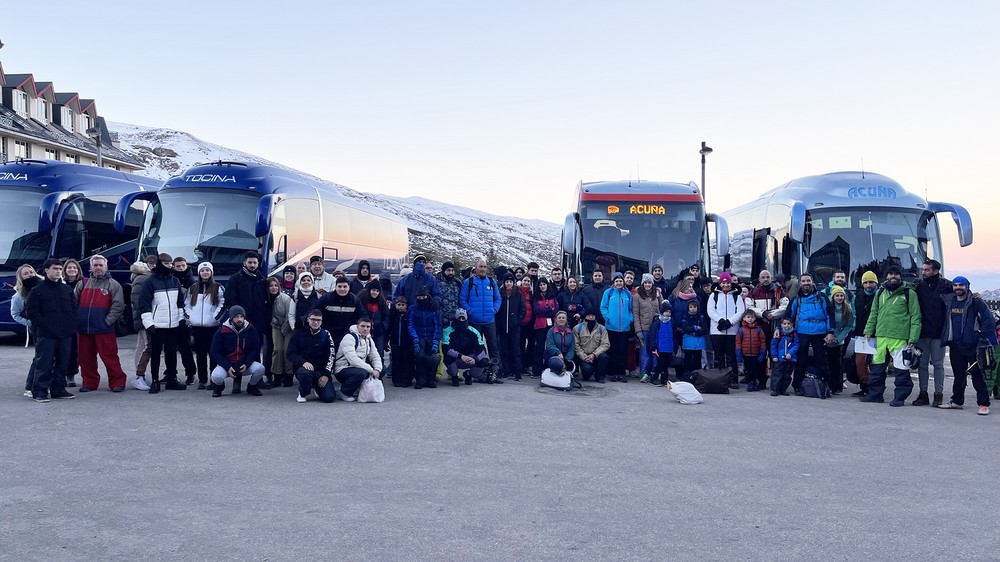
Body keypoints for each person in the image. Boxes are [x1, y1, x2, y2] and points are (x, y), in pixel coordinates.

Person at [860, 266, 921, 406]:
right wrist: (868, 330)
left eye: (896, 274)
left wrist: (913, 338)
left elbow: (915, 316)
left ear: (901, 277)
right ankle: (875, 395)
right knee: (877, 368)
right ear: (887, 276)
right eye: (890, 274)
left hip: (900, 338)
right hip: (881, 337)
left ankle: (900, 398)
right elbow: (874, 313)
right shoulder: (880, 292)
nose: (893, 276)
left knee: (901, 370)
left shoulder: (908, 293)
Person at [937, 276, 996, 415]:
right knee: (958, 375)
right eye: (955, 285)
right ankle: (957, 401)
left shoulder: (976, 302)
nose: (958, 287)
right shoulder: (949, 301)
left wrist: (980, 337)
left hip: (973, 346)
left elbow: (989, 322)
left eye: (961, 285)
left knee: (977, 375)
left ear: (967, 286)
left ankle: (983, 404)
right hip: (955, 345)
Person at [73, 255, 129, 392]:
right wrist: (77, 320)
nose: (98, 268)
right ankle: (89, 383)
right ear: (91, 267)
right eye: (95, 265)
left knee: (110, 357)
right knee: (85, 358)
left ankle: (117, 382)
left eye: (100, 265)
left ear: (106, 267)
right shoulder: (83, 283)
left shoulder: (113, 285)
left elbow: (118, 306)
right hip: (84, 330)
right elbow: (73, 303)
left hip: (104, 329)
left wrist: (107, 321)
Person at [25, 259, 78, 402]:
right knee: (44, 363)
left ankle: (58, 389)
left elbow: (74, 309)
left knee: (62, 363)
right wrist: (47, 327)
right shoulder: (37, 291)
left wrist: (70, 327)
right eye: (55, 268)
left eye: (60, 269)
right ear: (46, 270)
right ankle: (40, 391)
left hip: (65, 334)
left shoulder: (66, 290)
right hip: (46, 334)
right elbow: (32, 312)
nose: (58, 271)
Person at [139, 253, 187, 394]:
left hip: (173, 325)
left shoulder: (175, 281)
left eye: (171, 263)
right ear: (160, 264)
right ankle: (155, 381)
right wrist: (149, 324)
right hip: (157, 326)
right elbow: (144, 304)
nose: (170, 266)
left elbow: (179, 303)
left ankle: (172, 379)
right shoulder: (149, 282)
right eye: (166, 264)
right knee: (155, 354)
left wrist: (181, 320)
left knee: (171, 353)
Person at [225, 251, 269, 385]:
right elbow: (230, 300)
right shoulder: (236, 279)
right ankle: (236, 381)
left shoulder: (261, 279)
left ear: (258, 264)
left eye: (255, 262)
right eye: (249, 262)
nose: (252, 265)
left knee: (256, 349)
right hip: (241, 323)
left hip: (258, 323)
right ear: (244, 263)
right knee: (239, 351)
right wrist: (237, 318)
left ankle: (258, 380)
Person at [913, 259, 952, 407]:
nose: (924, 272)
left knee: (938, 364)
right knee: (922, 364)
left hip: (939, 333)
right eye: (923, 270)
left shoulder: (947, 286)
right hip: (922, 333)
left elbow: (962, 295)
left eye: (927, 270)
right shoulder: (919, 286)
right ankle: (923, 394)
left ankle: (938, 395)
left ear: (936, 271)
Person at [788, 273, 833, 396]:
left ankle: (826, 385)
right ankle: (797, 385)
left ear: (812, 281)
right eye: (803, 281)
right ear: (800, 283)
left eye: (808, 280)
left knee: (821, 360)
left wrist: (830, 332)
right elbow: (789, 316)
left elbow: (829, 314)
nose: (806, 283)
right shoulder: (796, 299)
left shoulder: (822, 297)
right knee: (800, 360)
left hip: (819, 332)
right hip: (802, 332)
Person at [184, 262, 225, 390]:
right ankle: (202, 379)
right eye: (203, 270)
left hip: (212, 326)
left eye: (207, 270)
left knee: (213, 353)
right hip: (197, 326)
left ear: (211, 272)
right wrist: (191, 317)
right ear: (199, 273)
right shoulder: (193, 288)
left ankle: (214, 379)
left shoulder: (218, 287)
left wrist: (215, 318)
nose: (205, 272)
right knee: (200, 354)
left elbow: (223, 304)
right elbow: (186, 305)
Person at [209, 305, 265, 397]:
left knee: (260, 368)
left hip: (244, 364)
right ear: (231, 318)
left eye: (241, 316)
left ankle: (252, 386)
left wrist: (247, 363)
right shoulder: (221, 331)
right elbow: (214, 352)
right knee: (216, 376)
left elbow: (256, 348)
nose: (239, 319)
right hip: (227, 365)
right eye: (236, 317)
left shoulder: (251, 330)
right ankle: (219, 387)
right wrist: (227, 366)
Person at [459, 258, 502, 377]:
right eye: (480, 267)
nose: (483, 269)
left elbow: (498, 299)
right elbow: (462, 299)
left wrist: (494, 309)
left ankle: (496, 372)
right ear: (476, 268)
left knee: (493, 347)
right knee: (477, 348)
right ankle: (478, 372)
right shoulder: (469, 282)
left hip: (489, 321)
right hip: (474, 321)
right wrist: (470, 311)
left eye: (484, 267)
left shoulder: (492, 282)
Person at [289, 309, 337, 403]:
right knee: (305, 374)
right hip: (304, 368)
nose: (316, 322)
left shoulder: (326, 334)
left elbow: (331, 355)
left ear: (322, 321)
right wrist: (303, 362)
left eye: (318, 320)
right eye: (313, 319)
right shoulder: (298, 333)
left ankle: (317, 387)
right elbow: (290, 354)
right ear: (308, 319)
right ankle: (302, 392)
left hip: (321, 370)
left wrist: (326, 374)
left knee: (329, 398)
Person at [707, 272, 746, 388]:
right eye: (723, 283)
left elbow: (740, 311)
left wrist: (730, 322)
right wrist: (720, 320)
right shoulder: (714, 295)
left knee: (731, 356)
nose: (726, 285)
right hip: (717, 330)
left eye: (728, 283)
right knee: (718, 355)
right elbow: (710, 310)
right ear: (720, 283)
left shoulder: (736, 296)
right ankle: (719, 378)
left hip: (732, 330)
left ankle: (733, 379)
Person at [333, 317, 383, 401]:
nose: (365, 329)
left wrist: (377, 369)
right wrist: (371, 370)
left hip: (359, 367)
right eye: (362, 326)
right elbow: (353, 359)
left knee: (382, 369)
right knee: (361, 373)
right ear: (357, 326)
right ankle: (344, 392)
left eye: (368, 327)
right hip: (343, 368)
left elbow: (375, 356)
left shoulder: (369, 339)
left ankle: (359, 388)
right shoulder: (349, 337)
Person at [442, 308, 492, 385]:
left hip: (470, 358)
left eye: (463, 318)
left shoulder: (474, 331)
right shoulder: (447, 331)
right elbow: (446, 348)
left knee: (484, 361)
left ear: (466, 319)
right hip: (455, 358)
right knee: (448, 358)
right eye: (459, 318)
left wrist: (475, 359)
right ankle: (454, 376)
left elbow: (482, 349)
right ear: (455, 318)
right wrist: (460, 356)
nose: (461, 320)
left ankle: (469, 375)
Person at [849, 271, 879, 397]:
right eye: (865, 283)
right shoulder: (858, 296)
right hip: (861, 335)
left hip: (878, 335)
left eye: (871, 282)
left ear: (876, 283)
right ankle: (864, 386)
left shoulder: (881, 295)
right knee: (860, 363)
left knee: (876, 364)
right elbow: (854, 315)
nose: (868, 285)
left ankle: (875, 388)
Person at [130, 255, 157, 390]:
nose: (153, 265)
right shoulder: (142, 279)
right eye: (150, 263)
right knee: (146, 347)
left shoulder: (140, 278)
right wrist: (148, 316)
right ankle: (139, 376)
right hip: (145, 318)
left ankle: (139, 375)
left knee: (141, 346)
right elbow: (138, 301)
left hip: (143, 318)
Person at [600, 272, 634, 383]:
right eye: (617, 281)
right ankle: (613, 373)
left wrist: (630, 319)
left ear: (623, 282)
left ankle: (621, 373)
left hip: (624, 328)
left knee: (623, 351)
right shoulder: (608, 293)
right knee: (613, 351)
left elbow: (631, 309)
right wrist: (608, 318)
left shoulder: (628, 294)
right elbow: (603, 307)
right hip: (611, 327)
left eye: (620, 281)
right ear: (614, 283)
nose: (619, 283)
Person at [408, 288, 443, 388]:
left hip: (432, 337)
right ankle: (420, 380)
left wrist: (436, 341)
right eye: (419, 297)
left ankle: (431, 379)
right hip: (419, 337)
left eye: (423, 296)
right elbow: (411, 324)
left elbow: (438, 325)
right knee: (419, 357)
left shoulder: (434, 308)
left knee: (433, 358)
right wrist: (415, 338)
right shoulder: (412, 309)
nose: (421, 298)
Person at [171, 256, 198, 384]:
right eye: (178, 266)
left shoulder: (191, 281)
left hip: (184, 319)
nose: (181, 268)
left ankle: (191, 373)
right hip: (171, 317)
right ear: (173, 266)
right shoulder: (171, 278)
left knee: (185, 348)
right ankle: (170, 374)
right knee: (170, 348)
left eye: (183, 265)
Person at [496, 273, 526, 381]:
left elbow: (523, 309)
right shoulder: (500, 294)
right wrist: (499, 322)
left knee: (516, 350)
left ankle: (517, 371)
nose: (509, 284)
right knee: (504, 350)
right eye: (507, 282)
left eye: (510, 282)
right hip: (503, 327)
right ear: (504, 283)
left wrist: (517, 320)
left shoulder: (518, 293)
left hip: (514, 327)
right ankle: (506, 371)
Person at [317, 276, 364, 346]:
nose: (342, 289)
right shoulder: (327, 298)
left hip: (347, 334)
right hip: (328, 332)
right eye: (339, 286)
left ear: (349, 287)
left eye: (345, 287)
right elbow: (315, 311)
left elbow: (362, 315)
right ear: (335, 287)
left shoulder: (355, 300)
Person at [267, 276, 296, 387]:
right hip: (275, 326)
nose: (273, 288)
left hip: (287, 326)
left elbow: (289, 315)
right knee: (277, 350)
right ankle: (277, 375)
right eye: (271, 286)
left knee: (286, 350)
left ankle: (288, 375)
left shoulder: (285, 298)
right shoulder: (266, 299)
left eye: (275, 285)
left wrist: (285, 329)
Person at [827, 285, 855, 395]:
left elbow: (848, 325)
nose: (839, 298)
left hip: (839, 339)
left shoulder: (847, 308)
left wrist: (839, 338)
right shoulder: (828, 307)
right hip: (827, 338)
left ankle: (837, 386)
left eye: (841, 295)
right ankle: (827, 384)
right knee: (827, 363)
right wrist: (827, 335)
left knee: (837, 364)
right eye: (837, 295)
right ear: (833, 297)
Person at [60, 257, 84, 387]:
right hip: (63, 321)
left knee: (74, 349)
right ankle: (60, 374)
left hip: (78, 321)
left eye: (74, 267)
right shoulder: (60, 283)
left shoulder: (84, 283)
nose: (72, 270)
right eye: (69, 267)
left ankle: (71, 375)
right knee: (63, 349)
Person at [530, 278, 558, 376]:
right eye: (541, 285)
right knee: (539, 347)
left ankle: (548, 367)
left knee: (549, 347)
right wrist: (549, 310)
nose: (543, 286)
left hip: (551, 325)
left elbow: (556, 310)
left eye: (544, 284)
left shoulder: (552, 296)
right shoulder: (536, 297)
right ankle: (536, 370)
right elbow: (537, 310)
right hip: (540, 326)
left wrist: (546, 311)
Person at [633, 274, 659, 381]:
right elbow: (636, 314)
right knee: (645, 352)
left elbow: (662, 308)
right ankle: (644, 373)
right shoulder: (637, 296)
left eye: (649, 283)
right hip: (644, 328)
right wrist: (638, 330)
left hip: (656, 328)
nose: (647, 285)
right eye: (646, 283)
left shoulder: (657, 295)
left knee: (655, 351)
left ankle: (655, 372)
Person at [735, 309, 768, 392]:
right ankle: (749, 382)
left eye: (752, 317)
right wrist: (738, 353)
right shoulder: (741, 330)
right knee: (747, 369)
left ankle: (754, 382)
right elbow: (738, 342)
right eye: (748, 317)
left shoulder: (759, 329)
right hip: (745, 354)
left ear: (755, 318)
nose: (750, 319)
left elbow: (763, 341)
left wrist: (762, 352)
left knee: (755, 369)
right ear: (744, 318)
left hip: (755, 354)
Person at [646, 300, 677, 386]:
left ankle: (664, 378)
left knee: (666, 365)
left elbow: (674, 336)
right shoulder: (657, 322)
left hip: (669, 348)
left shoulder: (671, 323)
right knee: (659, 364)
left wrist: (675, 347)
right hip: (660, 348)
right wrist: (653, 347)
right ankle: (654, 378)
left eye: (669, 312)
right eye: (666, 311)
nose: (668, 313)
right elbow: (652, 335)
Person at [574, 309, 610, 383]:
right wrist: (584, 356)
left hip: (596, 354)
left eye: (593, 316)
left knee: (604, 357)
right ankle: (588, 373)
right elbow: (575, 345)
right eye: (589, 316)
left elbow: (605, 344)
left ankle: (600, 376)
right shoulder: (577, 328)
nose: (591, 317)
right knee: (587, 371)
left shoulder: (601, 329)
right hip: (584, 356)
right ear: (585, 317)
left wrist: (594, 354)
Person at [677, 299, 708, 381]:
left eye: (695, 306)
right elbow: (685, 328)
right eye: (691, 307)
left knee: (697, 361)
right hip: (688, 343)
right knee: (687, 361)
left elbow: (704, 330)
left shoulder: (701, 318)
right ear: (688, 308)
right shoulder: (685, 317)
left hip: (698, 343)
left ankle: (697, 377)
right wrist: (695, 328)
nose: (693, 308)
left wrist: (694, 332)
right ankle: (686, 377)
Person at [387, 296, 414, 387]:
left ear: (406, 306)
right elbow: (389, 329)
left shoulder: (409, 316)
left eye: (403, 305)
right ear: (395, 305)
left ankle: (406, 379)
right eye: (399, 305)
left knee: (406, 362)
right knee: (396, 361)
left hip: (406, 343)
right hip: (395, 343)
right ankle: (396, 379)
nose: (401, 307)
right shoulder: (393, 316)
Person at [358, 282, 389, 360]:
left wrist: (383, 327)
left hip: (378, 332)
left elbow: (386, 316)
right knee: (364, 353)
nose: (375, 293)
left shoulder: (382, 302)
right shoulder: (362, 301)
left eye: (377, 291)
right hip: (364, 332)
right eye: (373, 290)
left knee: (379, 354)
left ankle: (379, 370)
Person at [769, 317, 799, 396]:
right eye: (784, 324)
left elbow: (796, 345)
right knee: (777, 374)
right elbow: (773, 345)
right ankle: (775, 389)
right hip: (779, 358)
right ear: (781, 325)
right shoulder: (778, 333)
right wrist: (774, 356)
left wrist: (790, 353)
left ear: (792, 324)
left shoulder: (794, 334)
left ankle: (783, 389)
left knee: (787, 375)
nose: (787, 325)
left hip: (790, 359)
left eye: (789, 324)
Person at [436, 261, 462, 329]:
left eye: (452, 270)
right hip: (441, 320)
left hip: (455, 320)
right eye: (448, 270)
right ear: (443, 271)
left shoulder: (457, 283)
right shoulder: (436, 282)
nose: (451, 272)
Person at [518, 276, 535, 375]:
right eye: (525, 280)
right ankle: (520, 365)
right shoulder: (518, 292)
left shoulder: (531, 294)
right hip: (520, 323)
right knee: (520, 344)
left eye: (528, 281)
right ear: (521, 281)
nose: (527, 282)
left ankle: (527, 364)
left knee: (530, 345)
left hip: (530, 323)